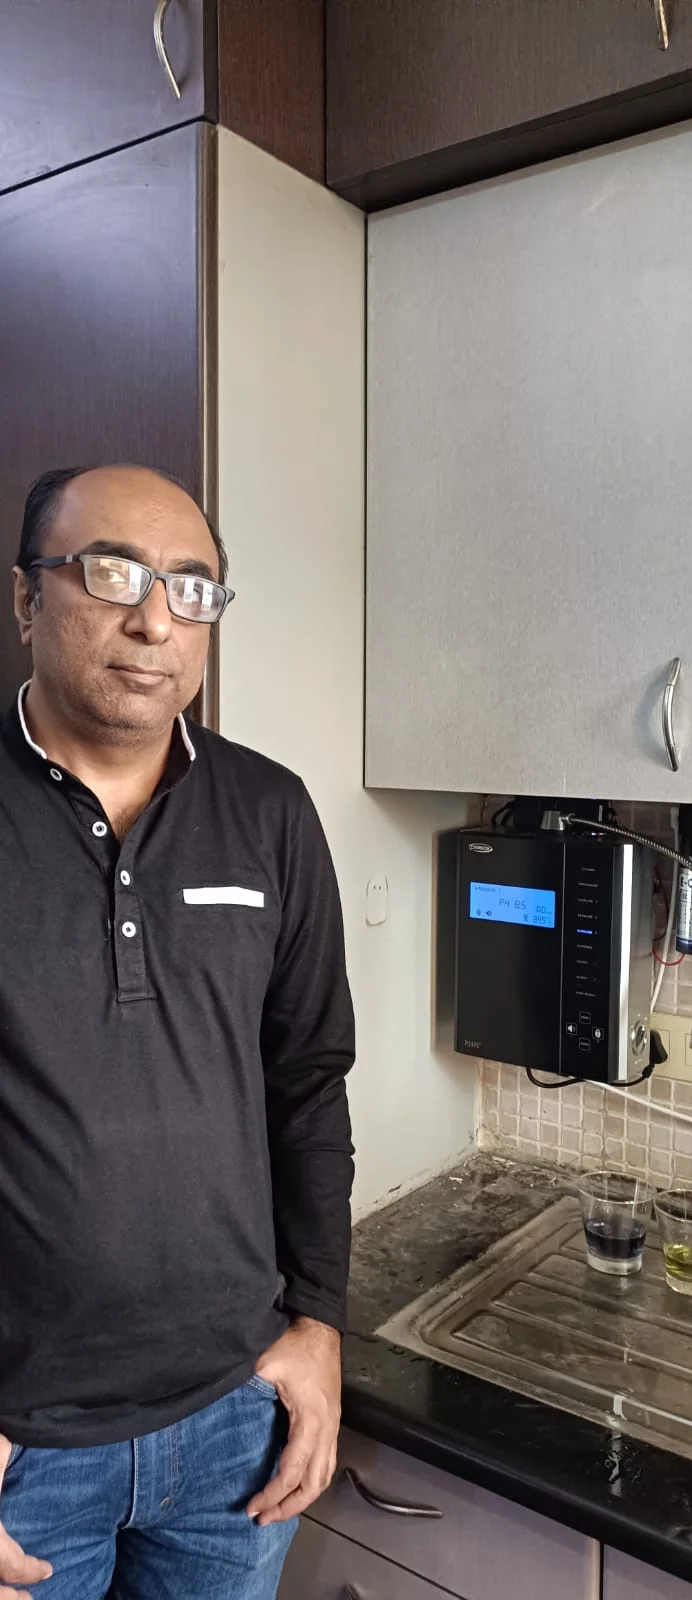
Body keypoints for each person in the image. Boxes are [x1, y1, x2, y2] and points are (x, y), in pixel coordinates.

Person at [0, 464, 355, 1600]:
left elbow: (307, 1081)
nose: (156, 618)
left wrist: (321, 1322)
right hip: (22, 1447)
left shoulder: (271, 812)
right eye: (113, 575)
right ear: (26, 599)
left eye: (194, 588)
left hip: (231, 1427)